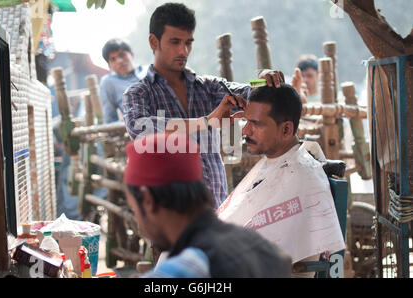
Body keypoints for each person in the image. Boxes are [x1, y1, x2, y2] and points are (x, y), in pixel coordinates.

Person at [123, 2, 283, 208]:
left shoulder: (207, 87)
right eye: (174, 42)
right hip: (169, 218)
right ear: (154, 42)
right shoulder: (139, 93)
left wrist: (264, 81)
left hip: (215, 210)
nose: (183, 50)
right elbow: (141, 130)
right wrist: (206, 121)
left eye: (188, 42)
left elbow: (248, 94)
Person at [217, 84, 345, 278]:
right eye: (246, 122)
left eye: (256, 124)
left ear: (286, 130)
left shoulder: (302, 176)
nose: (245, 131)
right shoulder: (276, 161)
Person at [124, 132, 292, 278]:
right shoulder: (264, 249)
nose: (142, 228)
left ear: (148, 201)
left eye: (134, 210)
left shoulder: (188, 268)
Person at [100, 38, 148, 123]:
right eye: (113, 59)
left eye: (122, 55)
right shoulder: (109, 82)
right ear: (109, 65)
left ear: (132, 54)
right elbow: (109, 119)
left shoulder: (149, 71)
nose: (119, 61)